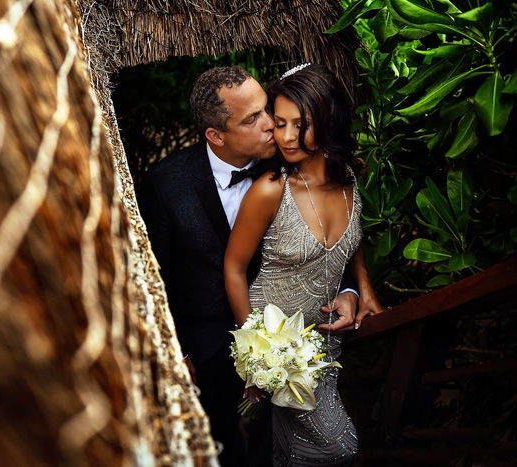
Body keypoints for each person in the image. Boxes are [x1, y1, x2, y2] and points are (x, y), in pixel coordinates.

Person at [140, 66, 373, 466]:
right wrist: (175, 351)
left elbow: (331, 237)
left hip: (295, 337)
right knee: (224, 445)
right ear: (216, 135)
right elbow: (153, 276)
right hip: (209, 345)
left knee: (285, 444)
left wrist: (353, 290)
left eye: (270, 111)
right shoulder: (165, 185)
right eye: (253, 119)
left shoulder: (298, 164)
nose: (272, 127)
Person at [224, 63, 383, 466]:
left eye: (302, 124)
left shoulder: (350, 176)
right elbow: (234, 268)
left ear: (328, 121)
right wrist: (256, 355)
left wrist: (361, 289)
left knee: (292, 451)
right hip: (277, 348)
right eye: (280, 124)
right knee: (340, 445)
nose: (288, 137)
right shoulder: (270, 190)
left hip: (325, 342)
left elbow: (353, 238)